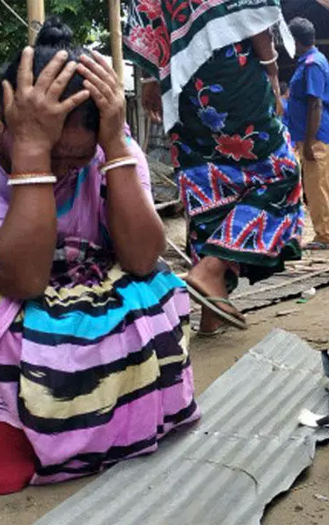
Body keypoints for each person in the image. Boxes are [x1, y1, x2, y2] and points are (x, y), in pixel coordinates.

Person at [0, 19, 197, 494]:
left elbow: (141, 258)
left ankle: (62, 428)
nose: (62, 172)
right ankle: (55, 425)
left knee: (159, 297)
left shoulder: (109, 146)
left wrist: (114, 147)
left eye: (74, 160)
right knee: (26, 340)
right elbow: (24, 280)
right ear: (6, 118)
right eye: (48, 152)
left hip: (74, 297)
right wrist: (31, 153)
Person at [126, 1, 303, 335]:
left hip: (180, 81)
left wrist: (151, 77)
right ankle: (212, 267)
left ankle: (212, 311)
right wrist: (271, 70)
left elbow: (148, 17)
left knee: (207, 185)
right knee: (281, 173)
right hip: (231, 74)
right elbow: (251, 14)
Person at [287, 17, 329, 251]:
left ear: (295, 40)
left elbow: (315, 104)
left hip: (316, 136)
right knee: (326, 187)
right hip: (321, 134)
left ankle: (325, 235)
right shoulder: (315, 60)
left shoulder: (312, 65)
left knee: (316, 187)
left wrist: (309, 141)